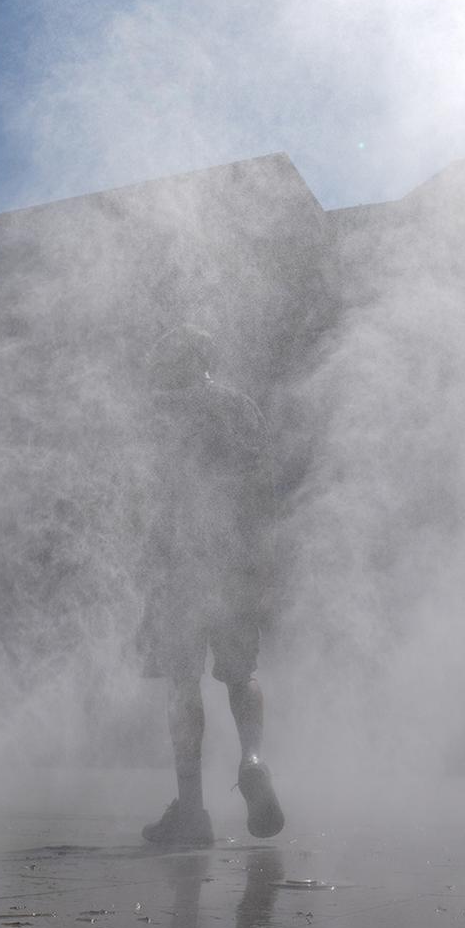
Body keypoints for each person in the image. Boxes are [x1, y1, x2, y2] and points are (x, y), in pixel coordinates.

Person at [135, 325, 285, 846]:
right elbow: (264, 489)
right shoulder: (242, 407)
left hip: (178, 566)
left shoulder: (159, 411)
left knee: (182, 683)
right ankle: (253, 760)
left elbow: (147, 493)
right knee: (242, 675)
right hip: (235, 561)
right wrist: (262, 565)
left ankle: (192, 811)